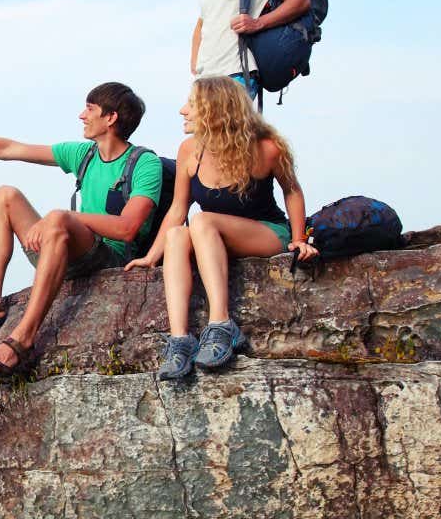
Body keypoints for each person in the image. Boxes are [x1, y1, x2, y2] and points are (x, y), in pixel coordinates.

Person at [0, 82, 162, 377]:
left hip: (109, 258)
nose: (81, 115)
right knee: (6, 195)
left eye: (90, 109)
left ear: (111, 118)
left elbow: (127, 228)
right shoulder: (84, 155)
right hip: (67, 249)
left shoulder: (144, 164)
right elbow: (9, 149)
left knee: (59, 218)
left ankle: (23, 338)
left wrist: (64, 218)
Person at [124, 76, 318, 379]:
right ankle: (180, 340)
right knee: (178, 234)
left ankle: (221, 324)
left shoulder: (267, 148)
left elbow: (292, 191)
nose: (182, 111)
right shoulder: (190, 150)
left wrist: (298, 238)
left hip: (265, 232)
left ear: (215, 109)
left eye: (192, 104)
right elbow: (177, 210)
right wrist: (151, 257)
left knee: (201, 219)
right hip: (212, 235)